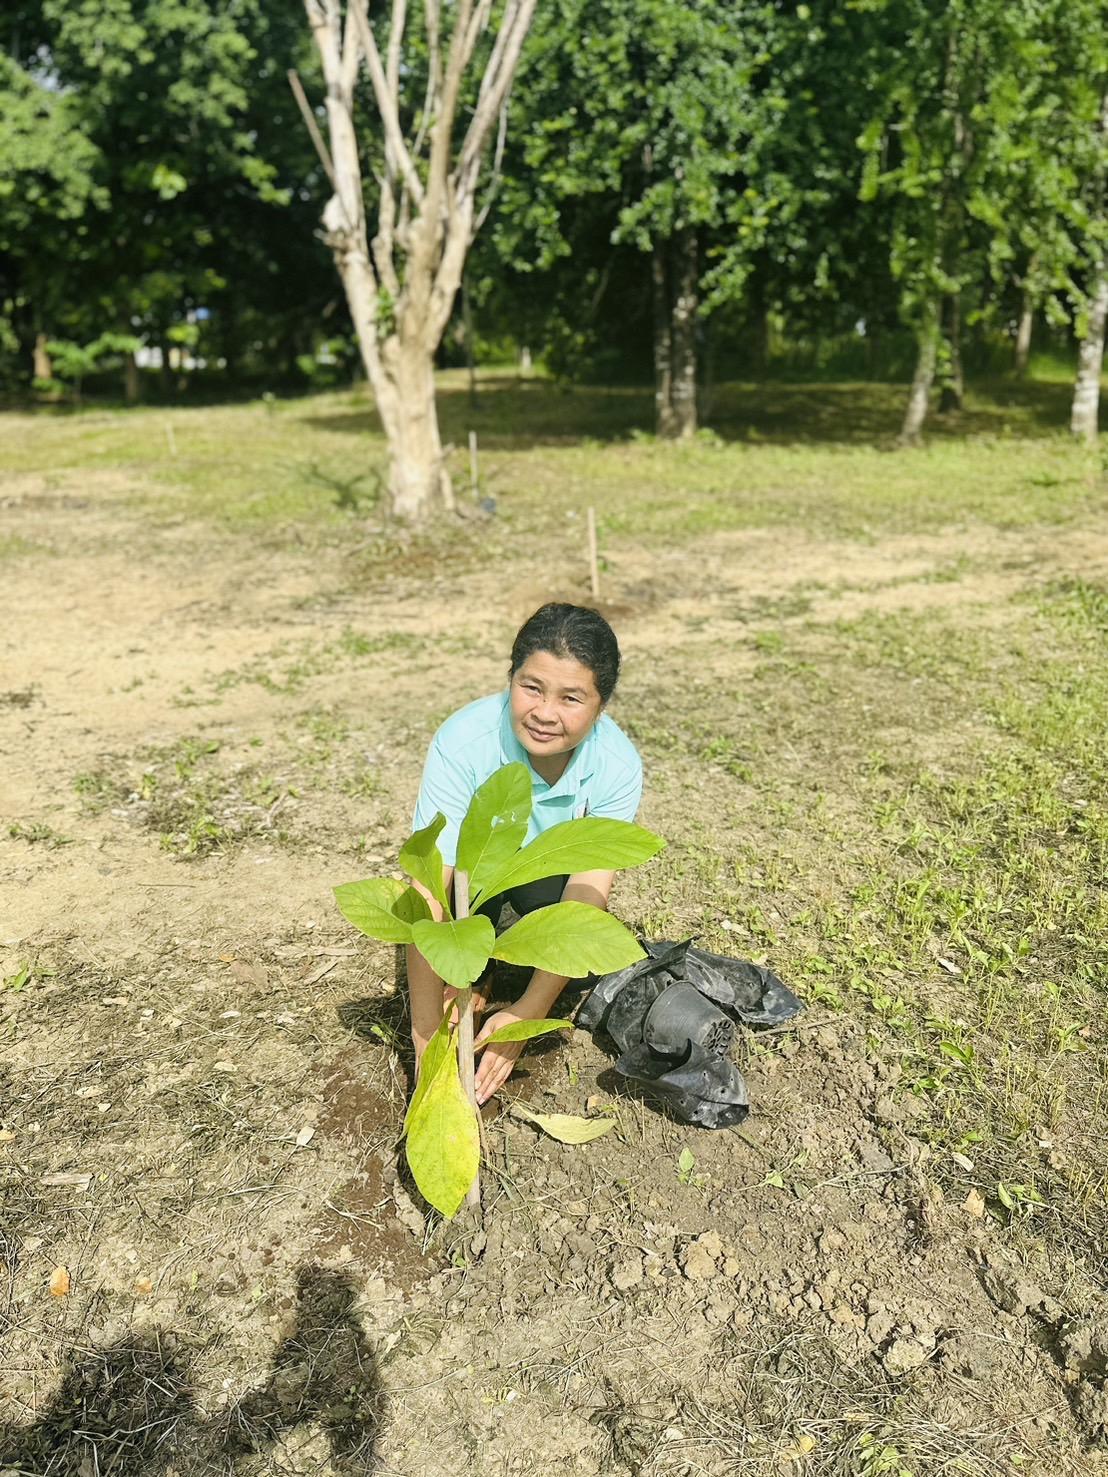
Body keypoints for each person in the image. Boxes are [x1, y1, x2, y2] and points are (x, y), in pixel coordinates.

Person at [407, 602, 642, 1105]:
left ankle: (504, 969)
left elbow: (585, 896)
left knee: (551, 901)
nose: (544, 712)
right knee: (466, 899)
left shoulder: (616, 766)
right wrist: (424, 1035)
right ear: (510, 678)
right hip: (475, 879)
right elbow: (430, 887)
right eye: (531, 686)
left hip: (545, 883)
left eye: (571, 698)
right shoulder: (464, 742)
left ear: (601, 707)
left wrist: (528, 1011)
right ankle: (478, 971)